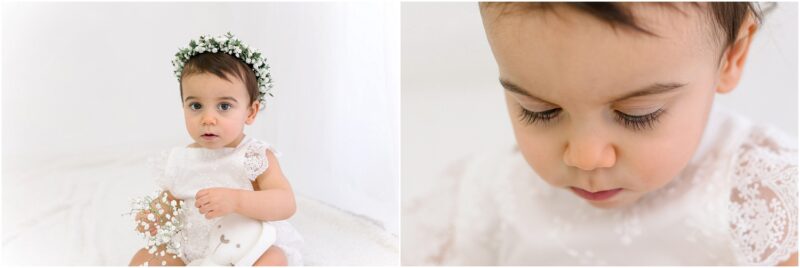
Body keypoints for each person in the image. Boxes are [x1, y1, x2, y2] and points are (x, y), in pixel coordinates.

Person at [403, 3, 797, 265]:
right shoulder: (489, 196)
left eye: (636, 115)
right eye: (540, 112)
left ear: (732, 55)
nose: (585, 156)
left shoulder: (763, 197)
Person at [128, 33, 302, 266]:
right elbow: (169, 201)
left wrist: (238, 201)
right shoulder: (181, 159)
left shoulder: (253, 155)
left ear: (250, 112)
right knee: (144, 258)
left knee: (274, 259)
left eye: (224, 106)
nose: (208, 118)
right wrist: (154, 217)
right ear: (183, 107)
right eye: (196, 106)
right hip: (191, 251)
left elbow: (285, 203)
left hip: (245, 250)